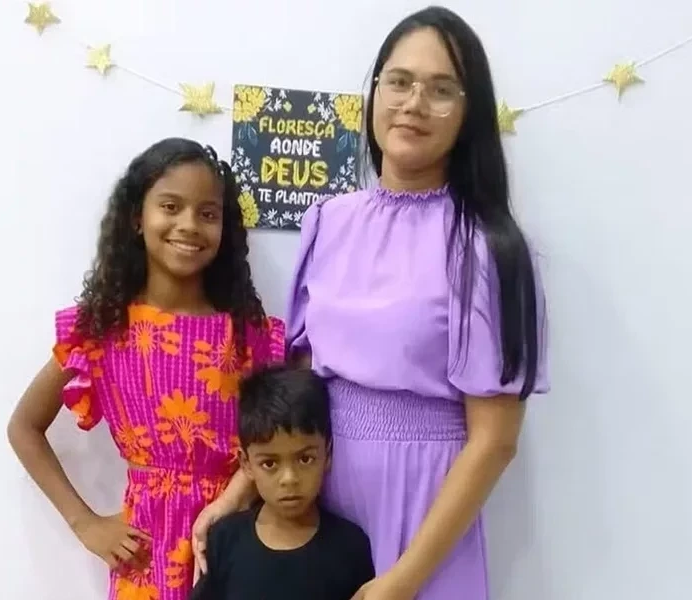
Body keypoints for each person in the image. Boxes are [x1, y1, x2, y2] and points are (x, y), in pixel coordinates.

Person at [192, 6, 552, 600]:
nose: (414, 104)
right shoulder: (328, 222)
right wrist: (238, 493)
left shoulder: (490, 248)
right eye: (399, 81)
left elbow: (494, 441)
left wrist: (402, 581)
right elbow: (298, 388)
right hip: (317, 502)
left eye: (441, 90)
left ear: (469, 113)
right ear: (375, 91)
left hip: (424, 512)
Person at [7, 137, 285, 600]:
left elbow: (275, 439)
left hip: (236, 537)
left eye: (208, 213)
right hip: (147, 553)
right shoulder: (101, 330)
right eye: (170, 207)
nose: (189, 224)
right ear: (137, 217)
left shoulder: (249, 336)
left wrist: (233, 496)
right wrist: (85, 523)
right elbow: (24, 427)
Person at [190, 365, 374, 600]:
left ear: (327, 455)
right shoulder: (225, 540)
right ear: (246, 464)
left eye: (305, 459)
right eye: (270, 463)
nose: (289, 479)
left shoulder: (350, 547)